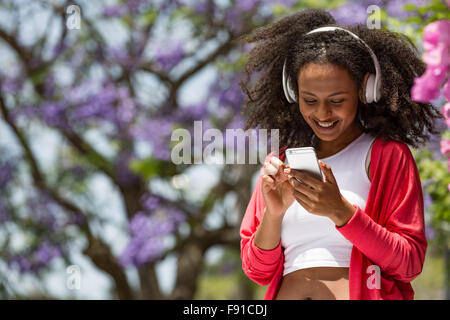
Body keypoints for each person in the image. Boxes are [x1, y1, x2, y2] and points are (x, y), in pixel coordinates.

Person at [238, 8, 445, 300]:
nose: (322, 113)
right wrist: (273, 214)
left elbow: (409, 263)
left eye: (337, 100)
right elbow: (257, 271)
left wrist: (340, 211)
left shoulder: (387, 156)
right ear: (292, 92)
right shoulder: (280, 162)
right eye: (310, 100)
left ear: (365, 89)